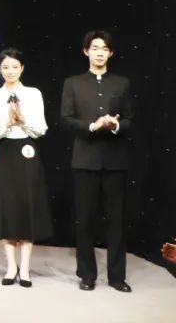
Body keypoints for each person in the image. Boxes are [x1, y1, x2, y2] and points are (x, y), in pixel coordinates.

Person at [61, 30, 134, 293]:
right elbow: (66, 118)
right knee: (85, 220)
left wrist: (115, 125)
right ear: (86, 51)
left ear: (110, 53)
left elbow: (130, 119)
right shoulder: (73, 83)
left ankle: (117, 276)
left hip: (115, 161)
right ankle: (87, 275)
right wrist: (92, 126)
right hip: (85, 160)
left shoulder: (122, 83)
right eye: (95, 48)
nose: (99, 53)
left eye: (104, 49)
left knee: (116, 221)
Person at [0, 48, 53, 287]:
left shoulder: (32, 94)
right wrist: (6, 123)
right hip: (4, 150)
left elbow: (41, 129)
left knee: (27, 205)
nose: (10, 71)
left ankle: (25, 268)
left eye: (14, 67)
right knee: (7, 207)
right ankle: (11, 266)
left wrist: (23, 121)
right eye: (5, 67)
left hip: (27, 150)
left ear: (22, 68)